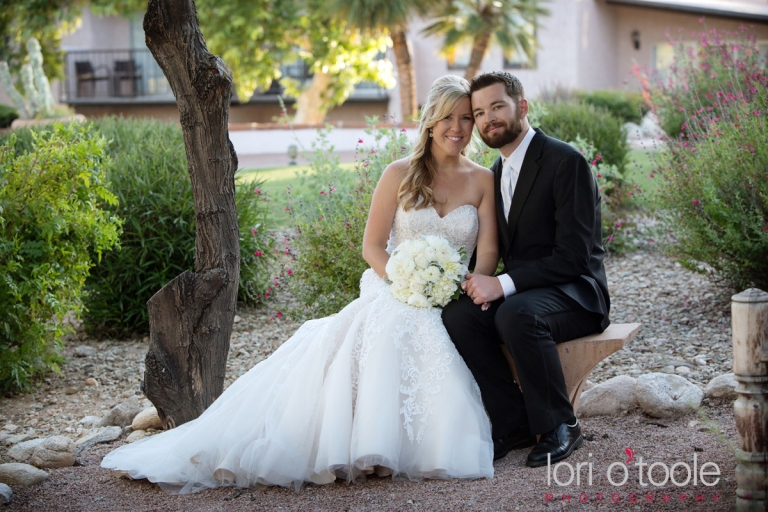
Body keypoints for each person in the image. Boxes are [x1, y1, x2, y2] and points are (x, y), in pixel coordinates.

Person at [101, 75, 500, 493]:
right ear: (430, 121)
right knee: (394, 323)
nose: (457, 127)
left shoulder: (482, 180)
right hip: (396, 286)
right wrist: (408, 284)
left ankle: (411, 443)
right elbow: (372, 246)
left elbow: (486, 251)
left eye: (465, 118)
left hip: (454, 290)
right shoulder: (398, 173)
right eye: (447, 117)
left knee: (428, 327)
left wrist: (461, 285)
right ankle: (362, 443)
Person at [442, 71, 610, 468]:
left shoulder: (564, 162)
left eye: (497, 107)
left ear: (522, 106)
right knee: (461, 316)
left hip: (577, 293)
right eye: (479, 113)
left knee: (517, 313)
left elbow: (574, 257)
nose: (487, 119)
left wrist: (501, 284)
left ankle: (561, 426)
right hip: (529, 295)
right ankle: (513, 422)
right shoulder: (496, 173)